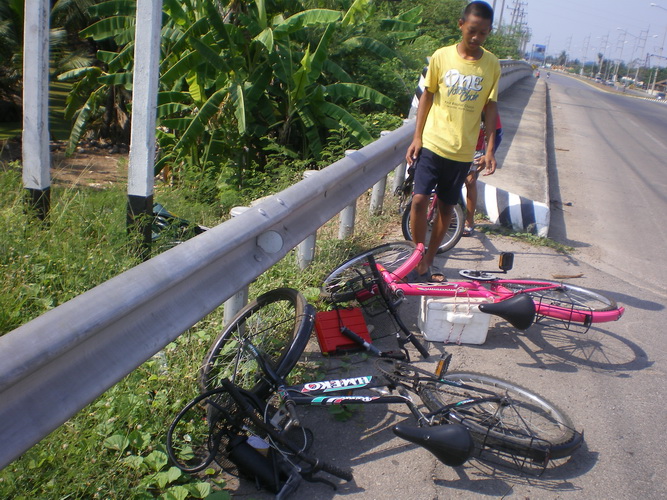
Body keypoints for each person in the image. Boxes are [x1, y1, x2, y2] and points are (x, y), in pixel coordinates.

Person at [405, 1, 500, 280]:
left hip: (462, 151)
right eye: (472, 30)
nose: (476, 38)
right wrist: (417, 136)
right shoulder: (441, 57)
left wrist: (490, 148)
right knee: (419, 200)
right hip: (434, 143)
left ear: (488, 32)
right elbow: (428, 96)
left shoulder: (491, 65)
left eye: (483, 33)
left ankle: (428, 261)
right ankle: (417, 254)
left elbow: (491, 108)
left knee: (447, 207)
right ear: (460, 25)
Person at [463, 109, 502, 236]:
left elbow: (498, 133)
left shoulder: (488, 107)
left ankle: (469, 222)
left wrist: (488, 156)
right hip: (455, 146)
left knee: (470, 181)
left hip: (476, 150)